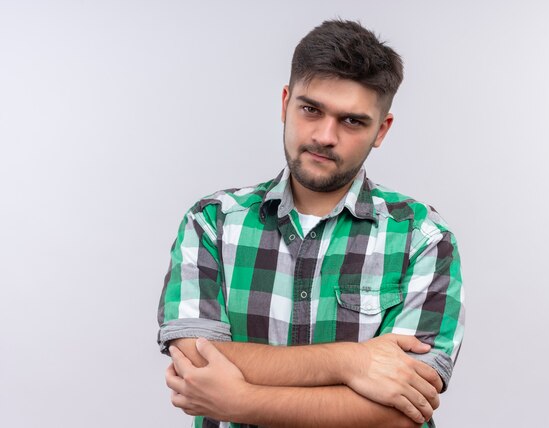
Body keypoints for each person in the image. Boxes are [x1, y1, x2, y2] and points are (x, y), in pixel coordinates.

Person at [157, 19, 464, 428]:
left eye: (352, 121)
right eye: (310, 109)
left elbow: (402, 412)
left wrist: (241, 400)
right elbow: (195, 358)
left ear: (381, 130)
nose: (324, 135)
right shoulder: (212, 222)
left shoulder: (422, 238)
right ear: (285, 103)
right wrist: (349, 361)